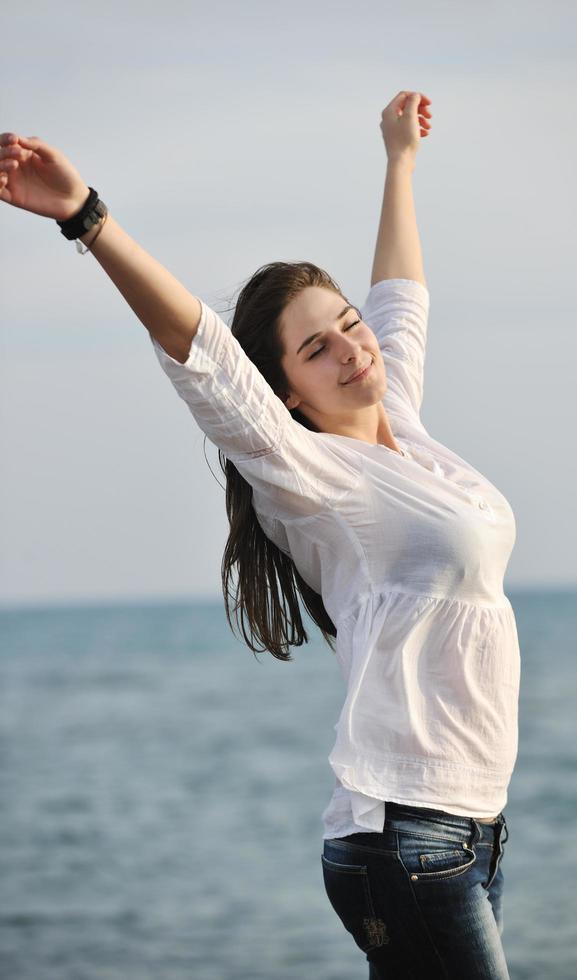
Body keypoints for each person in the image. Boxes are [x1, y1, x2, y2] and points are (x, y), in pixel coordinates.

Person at [0, 90, 518, 979]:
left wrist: (399, 161)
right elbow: (198, 346)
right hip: (406, 838)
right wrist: (86, 218)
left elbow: (401, 297)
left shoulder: (406, 429)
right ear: (283, 393)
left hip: (469, 829)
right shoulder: (310, 477)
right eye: (317, 349)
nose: (352, 346)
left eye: (347, 325)